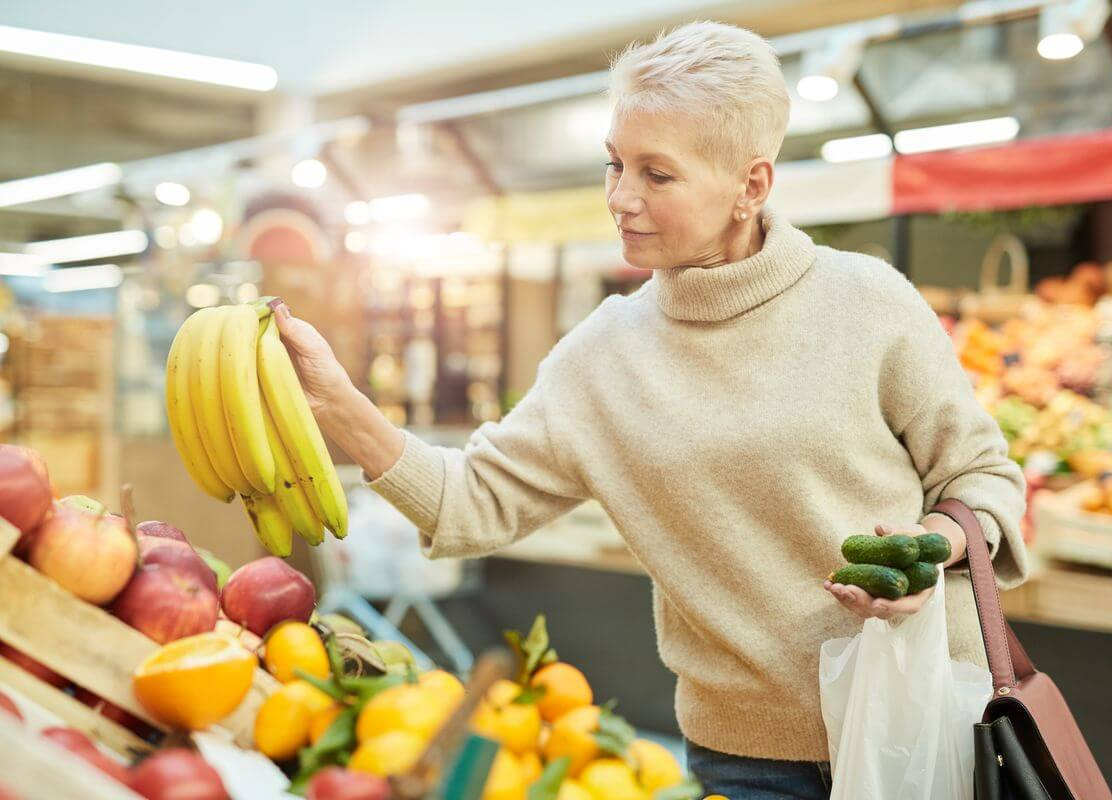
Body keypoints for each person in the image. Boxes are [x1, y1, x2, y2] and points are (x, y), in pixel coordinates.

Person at [273, 21, 1028, 799]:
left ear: (753, 185)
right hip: (748, 758)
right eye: (615, 164)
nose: (619, 197)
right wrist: (337, 402)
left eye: (657, 175)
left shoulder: (867, 302)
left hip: (924, 717)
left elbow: (981, 474)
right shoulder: (602, 356)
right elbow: (475, 499)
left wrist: (927, 550)